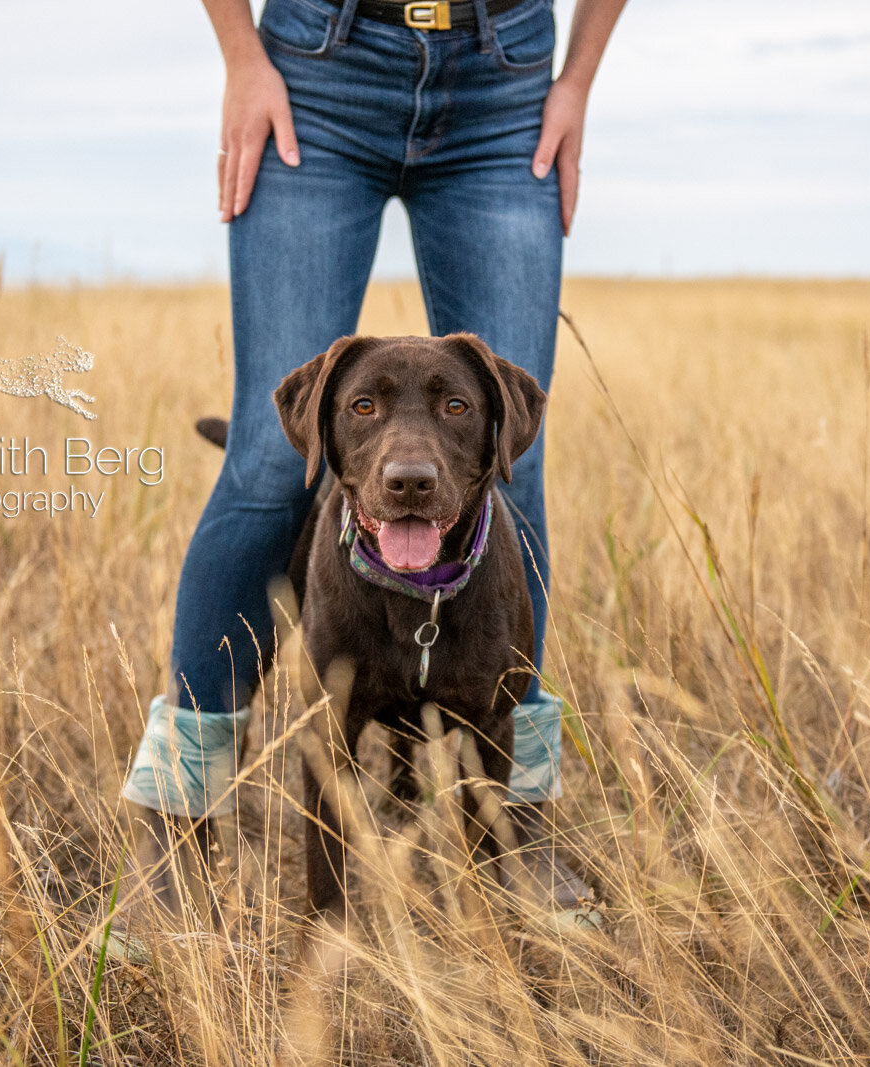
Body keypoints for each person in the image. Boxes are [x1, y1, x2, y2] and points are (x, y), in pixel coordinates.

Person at [123, 0, 628, 915]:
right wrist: (242, 54)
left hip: (503, 76)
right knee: (269, 467)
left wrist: (579, 78)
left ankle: (518, 823)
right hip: (320, 65)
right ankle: (179, 828)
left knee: (513, 473)